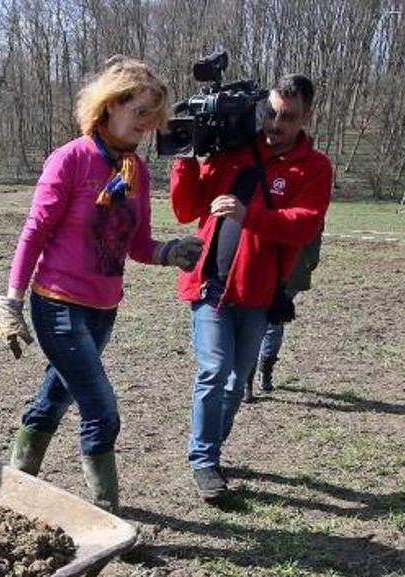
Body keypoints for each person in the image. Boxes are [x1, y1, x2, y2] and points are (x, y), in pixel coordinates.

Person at [0, 57, 202, 511]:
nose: (149, 126)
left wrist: (169, 252)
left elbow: (137, 244)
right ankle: (107, 512)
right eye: (141, 113)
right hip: (57, 305)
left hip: (103, 309)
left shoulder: (135, 172)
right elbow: (35, 232)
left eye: (154, 117)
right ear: (110, 106)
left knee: (54, 397)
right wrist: (11, 303)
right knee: (101, 410)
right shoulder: (71, 160)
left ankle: (12, 486)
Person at [170, 73, 331, 500]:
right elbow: (187, 209)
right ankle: (203, 460)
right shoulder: (233, 151)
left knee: (236, 380)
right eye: (272, 113)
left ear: (306, 117)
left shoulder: (313, 167)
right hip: (210, 285)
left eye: (288, 117)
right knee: (214, 369)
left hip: (259, 293)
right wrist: (186, 158)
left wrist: (248, 215)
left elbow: (305, 224)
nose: (276, 124)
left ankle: (212, 449)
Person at [249, 229, 322, 398]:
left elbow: (314, 234)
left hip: (284, 270)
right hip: (269, 268)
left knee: (264, 323)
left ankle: (260, 375)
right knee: (266, 324)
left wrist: (308, 262)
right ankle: (257, 378)